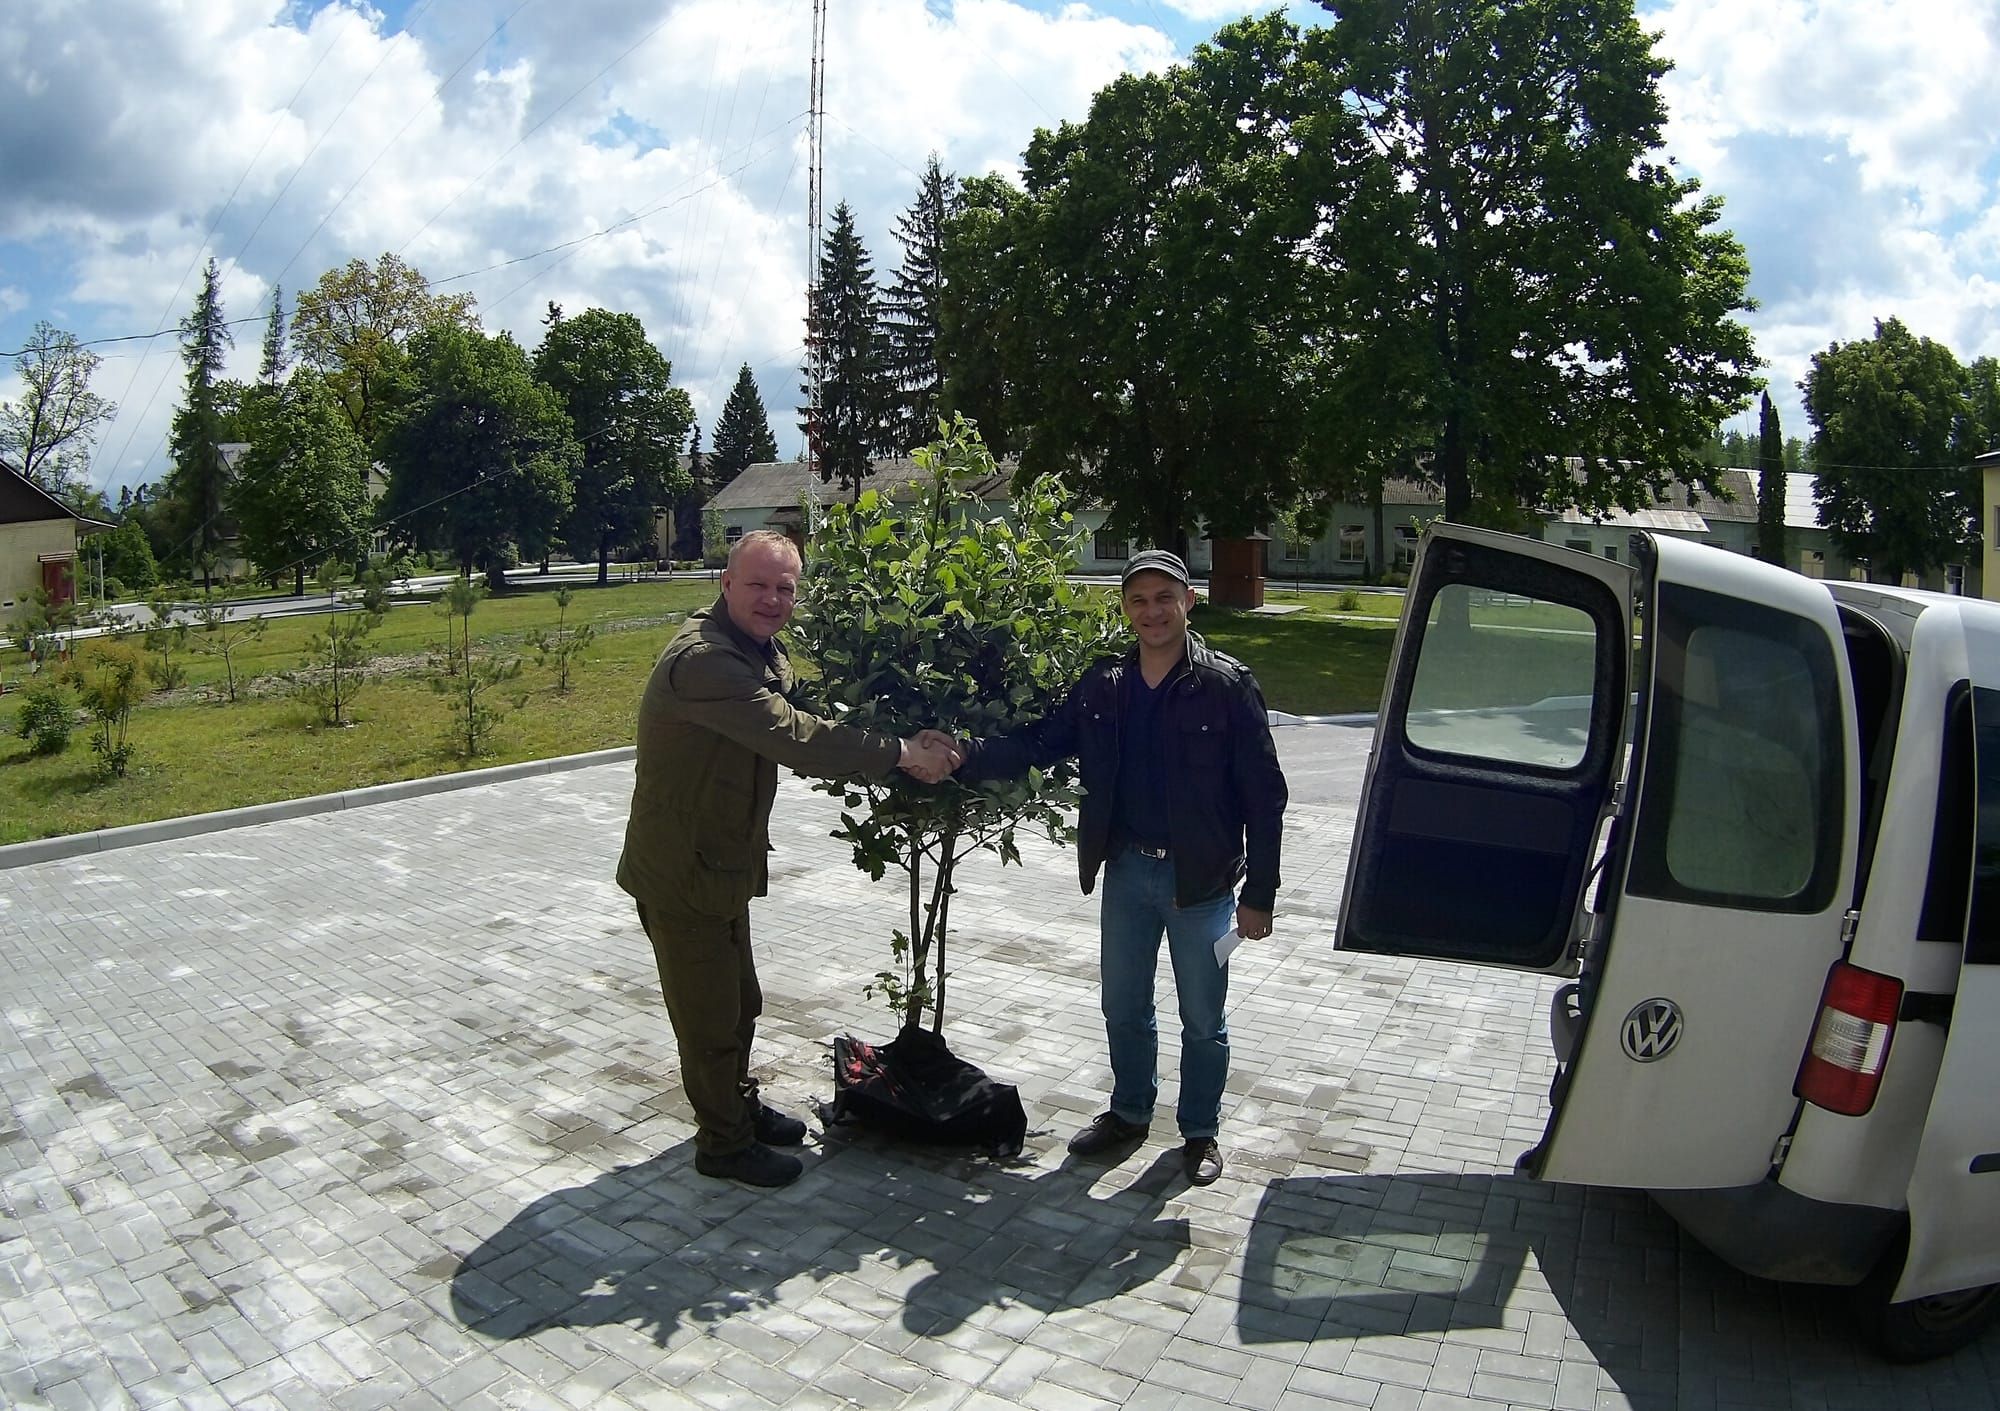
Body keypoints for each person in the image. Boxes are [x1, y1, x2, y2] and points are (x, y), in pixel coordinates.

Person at [616, 529, 960, 1188]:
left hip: (717, 862)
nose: (773, 599)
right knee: (710, 1017)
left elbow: (800, 704)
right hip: (683, 873)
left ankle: (735, 1108)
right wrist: (900, 752)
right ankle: (723, 1143)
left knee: (739, 1000)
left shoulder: (751, 646)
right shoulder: (707, 661)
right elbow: (792, 734)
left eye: (785, 587)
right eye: (759, 584)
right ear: (725, 582)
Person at [940, 548, 1287, 1185]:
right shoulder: (1104, 686)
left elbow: (1265, 796)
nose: (1152, 611)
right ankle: (1129, 1112)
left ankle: (1200, 1131)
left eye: (1164, 597)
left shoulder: (1225, 686)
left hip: (1202, 885)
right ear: (1125, 609)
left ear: (1187, 601)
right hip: (1127, 873)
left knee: (1203, 1019)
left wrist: (1258, 893)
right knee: (1123, 1006)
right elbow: (1042, 743)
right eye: (1138, 600)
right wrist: (966, 753)